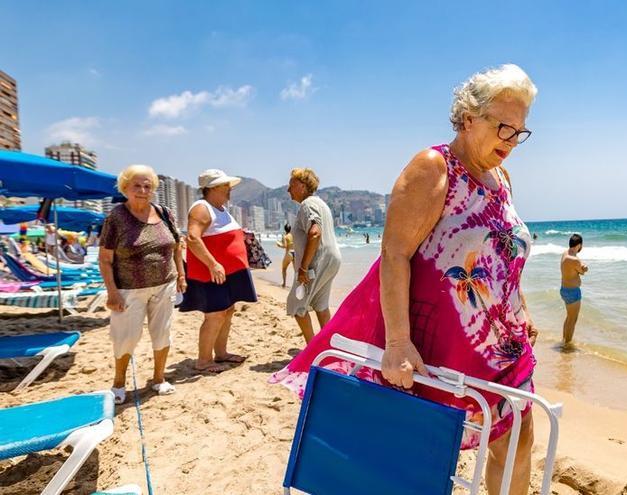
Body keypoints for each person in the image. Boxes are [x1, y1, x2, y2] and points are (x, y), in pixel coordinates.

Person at [271, 64, 539, 494]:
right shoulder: (435, 168)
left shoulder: (502, 178)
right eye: (503, 126)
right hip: (443, 346)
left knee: (518, 441)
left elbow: (503, 254)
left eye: (520, 131)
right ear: (470, 118)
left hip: (502, 346)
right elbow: (395, 253)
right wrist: (397, 343)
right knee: (422, 454)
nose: (511, 141)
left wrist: (520, 309)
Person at [98, 164, 185, 404]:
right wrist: (112, 293)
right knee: (125, 337)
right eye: (137, 185)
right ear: (125, 187)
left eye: (148, 186)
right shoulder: (116, 217)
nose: (143, 190)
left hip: (164, 285)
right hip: (128, 290)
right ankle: (118, 383)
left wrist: (181, 275)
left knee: (162, 334)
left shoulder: (165, 213)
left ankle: (159, 379)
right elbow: (105, 260)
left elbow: (177, 245)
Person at [179, 169, 257, 373]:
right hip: (212, 273)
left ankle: (220, 353)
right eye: (225, 185)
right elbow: (193, 238)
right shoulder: (202, 208)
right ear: (212, 188)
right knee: (214, 315)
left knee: (227, 311)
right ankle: (203, 361)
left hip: (229, 273)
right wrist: (213, 263)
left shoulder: (220, 208)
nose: (229, 189)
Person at [286, 168, 342, 343]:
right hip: (331, 260)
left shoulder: (307, 204)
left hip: (317, 262)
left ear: (302, 186)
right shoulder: (321, 204)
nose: (288, 190)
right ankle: (330, 346)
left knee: (296, 306)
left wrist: (303, 267)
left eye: (291, 185)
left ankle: (312, 348)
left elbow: (315, 233)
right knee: (321, 305)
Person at [560, 234, 588, 345]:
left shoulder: (565, 254)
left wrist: (582, 266)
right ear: (579, 245)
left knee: (569, 317)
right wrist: (585, 268)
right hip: (573, 292)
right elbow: (582, 271)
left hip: (564, 289)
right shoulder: (574, 259)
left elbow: (574, 267)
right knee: (573, 319)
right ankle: (567, 344)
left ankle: (564, 340)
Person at [279, 223, 295, 288]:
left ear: (285, 229)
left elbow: (284, 246)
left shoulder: (285, 236)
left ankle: (284, 284)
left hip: (289, 253)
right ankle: (296, 285)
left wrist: (278, 244)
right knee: (296, 271)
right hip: (295, 253)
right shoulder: (293, 235)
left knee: (284, 268)